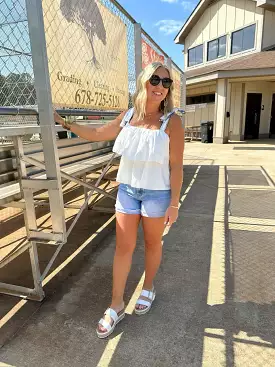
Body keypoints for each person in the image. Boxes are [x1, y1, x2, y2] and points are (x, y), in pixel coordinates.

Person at [54, 62, 185, 339]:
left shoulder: (172, 121)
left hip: (157, 194)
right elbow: (99, 133)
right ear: (143, 81)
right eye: (155, 80)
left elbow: (177, 166)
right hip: (127, 191)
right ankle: (116, 305)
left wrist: (174, 203)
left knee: (152, 243)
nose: (161, 87)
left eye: (166, 82)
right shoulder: (128, 117)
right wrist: (65, 123)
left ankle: (148, 286)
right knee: (123, 248)